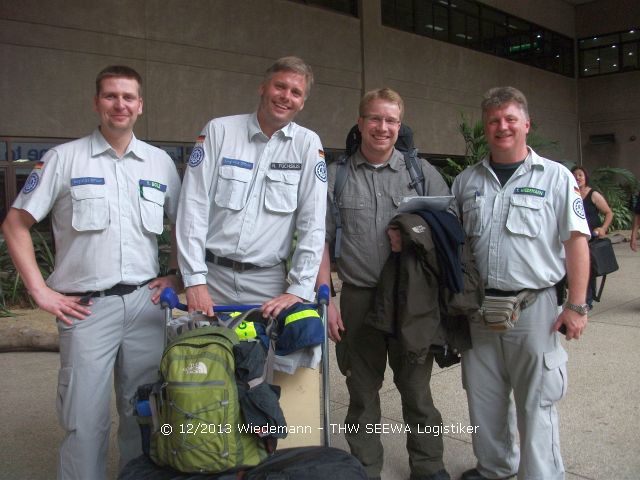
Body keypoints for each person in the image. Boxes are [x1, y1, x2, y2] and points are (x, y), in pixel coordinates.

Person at [0, 66, 182, 479]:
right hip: (85, 310)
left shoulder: (159, 164)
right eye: (111, 96)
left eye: (128, 97)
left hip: (145, 306)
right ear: (96, 102)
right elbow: (15, 224)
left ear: (141, 105)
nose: (120, 104)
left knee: (145, 413)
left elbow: (183, 227)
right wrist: (40, 292)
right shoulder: (63, 159)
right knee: (83, 421)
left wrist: (176, 274)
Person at [451, 86, 591, 480]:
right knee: (483, 400)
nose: (502, 127)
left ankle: (541, 475)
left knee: (537, 402)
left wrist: (576, 306)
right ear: (485, 127)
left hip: (535, 311)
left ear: (527, 124)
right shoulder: (466, 182)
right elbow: (454, 245)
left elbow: (577, 244)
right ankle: (495, 468)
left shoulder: (556, 178)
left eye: (510, 119)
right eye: (494, 120)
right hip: (478, 311)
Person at [316, 88, 452, 480]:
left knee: (416, 391)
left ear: (400, 125)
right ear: (360, 123)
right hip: (358, 298)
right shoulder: (337, 176)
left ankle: (428, 467)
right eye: (375, 118)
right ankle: (364, 468)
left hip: (412, 300)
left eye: (391, 120)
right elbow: (320, 239)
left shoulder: (420, 173)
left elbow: (449, 229)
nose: (383, 127)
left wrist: (415, 232)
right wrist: (329, 299)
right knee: (361, 393)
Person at [176, 55, 326, 318]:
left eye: (295, 92)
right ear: (263, 88)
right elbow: (192, 206)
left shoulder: (308, 145)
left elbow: (312, 223)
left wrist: (299, 289)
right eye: (279, 86)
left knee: (271, 358)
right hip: (212, 279)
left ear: (302, 102)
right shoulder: (219, 131)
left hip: (269, 285)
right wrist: (194, 280)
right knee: (207, 356)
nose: (285, 96)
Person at [571, 166, 613, 238]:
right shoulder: (569, 194)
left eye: (580, 175)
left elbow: (609, 213)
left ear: (586, 178)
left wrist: (603, 229)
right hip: (576, 237)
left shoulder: (594, 194)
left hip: (593, 236)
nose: (577, 178)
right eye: (574, 176)